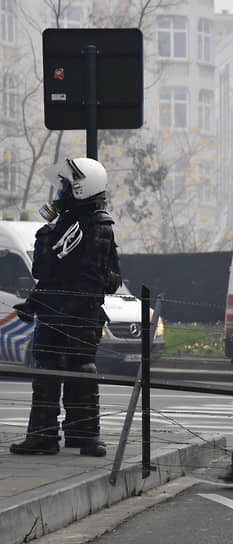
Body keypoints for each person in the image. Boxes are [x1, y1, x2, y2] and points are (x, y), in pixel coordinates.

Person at [10, 157, 121, 457]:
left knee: (81, 372)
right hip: (54, 313)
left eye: (65, 185)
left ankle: (85, 436)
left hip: (80, 315)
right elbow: (47, 275)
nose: (60, 190)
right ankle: (43, 437)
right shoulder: (63, 222)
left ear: (81, 188)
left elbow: (97, 278)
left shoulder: (98, 224)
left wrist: (64, 309)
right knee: (46, 371)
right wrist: (34, 305)